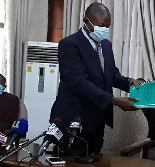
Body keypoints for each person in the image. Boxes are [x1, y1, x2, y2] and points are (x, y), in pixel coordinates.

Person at [50, 2, 139, 155]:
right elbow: (80, 83)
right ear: (86, 21)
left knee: (94, 160)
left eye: (108, 26)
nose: (105, 30)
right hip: (72, 120)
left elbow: (111, 75)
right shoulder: (69, 45)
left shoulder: (106, 45)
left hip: (97, 121)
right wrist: (114, 100)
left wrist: (129, 82)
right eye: (101, 25)